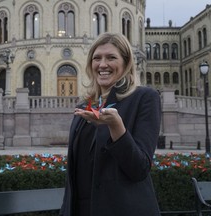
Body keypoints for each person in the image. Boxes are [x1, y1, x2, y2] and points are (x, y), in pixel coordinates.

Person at [59, 32, 161, 216]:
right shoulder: (84, 106)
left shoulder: (144, 99)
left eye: (111, 57)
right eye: (97, 58)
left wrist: (117, 128)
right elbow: (74, 174)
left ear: (126, 62)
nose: (102, 64)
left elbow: (140, 169)